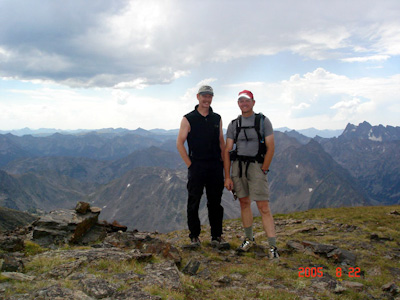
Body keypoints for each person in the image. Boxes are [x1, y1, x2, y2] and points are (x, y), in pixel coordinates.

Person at [223, 90, 279, 259]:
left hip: (256, 167)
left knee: (263, 207)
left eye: (247, 101)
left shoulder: (263, 121)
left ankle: (273, 247)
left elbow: (271, 147)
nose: (244, 104)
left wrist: (264, 169)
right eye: (241, 101)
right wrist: (227, 176)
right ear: (238, 104)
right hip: (238, 168)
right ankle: (249, 239)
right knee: (244, 203)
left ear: (253, 102)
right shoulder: (234, 124)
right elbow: (227, 149)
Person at [176, 85, 230, 249]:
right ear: (198, 97)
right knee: (194, 201)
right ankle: (194, 236)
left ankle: (216, 236)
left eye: (210, 97)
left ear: (212, 98)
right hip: (197, 165)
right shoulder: (188, 118)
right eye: (204, 96)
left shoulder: (217, 118)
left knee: (215, 202)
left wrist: (225, 168)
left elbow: (222, 142)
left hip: (215, 165)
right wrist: (190, 164)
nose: (207, 99)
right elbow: (180, 143)